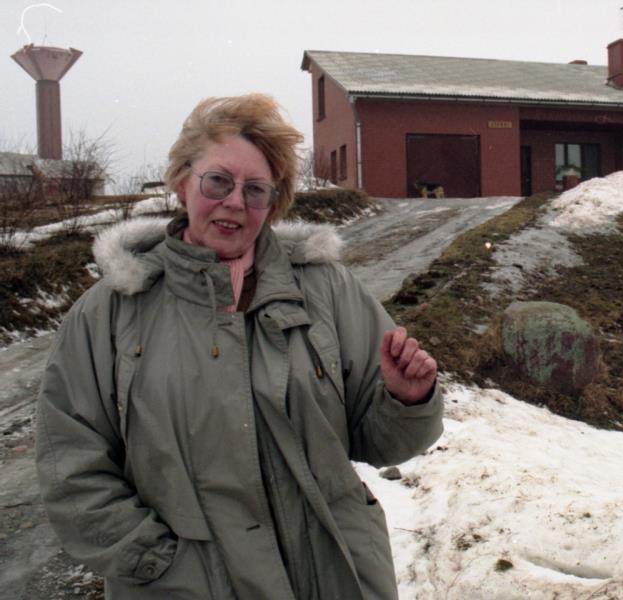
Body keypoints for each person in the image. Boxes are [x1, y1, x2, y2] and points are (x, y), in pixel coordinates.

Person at [35, 94, 443, 599]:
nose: (234, 202)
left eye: (255, 189)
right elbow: (71, 467)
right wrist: (157, 563)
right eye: (218, 181)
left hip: (336, 579)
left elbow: (381, 443)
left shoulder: (327, 290)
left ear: (273, 203)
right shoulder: (109, 313)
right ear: (182, 182)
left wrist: (406, 400)